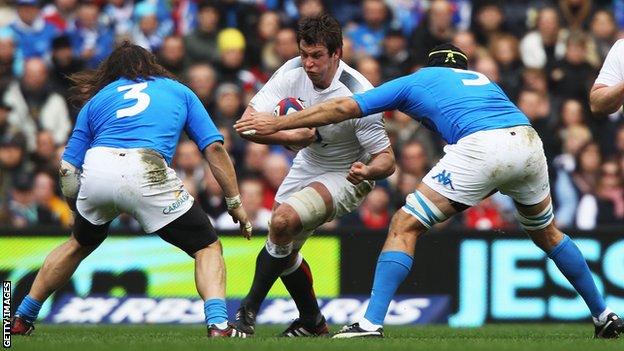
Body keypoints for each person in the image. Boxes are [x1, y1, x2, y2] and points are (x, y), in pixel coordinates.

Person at [235, 43, 624, 339]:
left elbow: (343, 109)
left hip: (481, 146)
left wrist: (275, 124)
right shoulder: (485, 83)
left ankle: (370, 323)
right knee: (547, 233)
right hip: (527, 141)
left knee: (405, 225)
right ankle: (603, 314)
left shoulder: (418, 79)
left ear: (431, 64)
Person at [10, 42, 252, 338]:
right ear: (152, 64)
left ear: (111, 71)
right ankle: (218, 325)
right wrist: (234, 200)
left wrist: (77, 207)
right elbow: (213, 147)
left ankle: (22, 317)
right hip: (146, 167)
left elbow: (67, 169)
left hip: (98, 167)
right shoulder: (178, 90)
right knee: (206, 246)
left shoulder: (98, 100)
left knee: (78, 243)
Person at [234, 14, 395, 337]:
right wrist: (288, 138)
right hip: (308, 162)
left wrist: (368, 170)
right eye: (304, 54)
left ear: (337, 53)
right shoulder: (291, 70)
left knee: (282, 221)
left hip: (348, 173)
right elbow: (246, 124)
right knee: (283, 245)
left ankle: (246, 311)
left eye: (317, 56)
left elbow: (387, 160)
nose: (308, 63)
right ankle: (312, 321)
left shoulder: (358, 91)